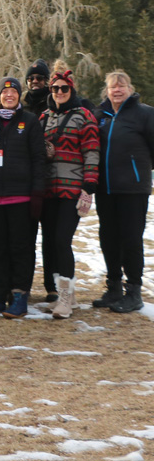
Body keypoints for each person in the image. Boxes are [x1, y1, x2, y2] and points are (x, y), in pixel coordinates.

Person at [0, 76, 48, 319]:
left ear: (19, 95)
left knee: (21, 249)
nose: (9, 96)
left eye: (13, 92)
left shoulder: (30, 121)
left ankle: (19, 296)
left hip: (21, 199)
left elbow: (38, 160)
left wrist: (37, 194)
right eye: (5, 92)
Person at [39, 66, 99, 319]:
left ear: (71, 90)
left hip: (72, 190)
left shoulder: (84, 116)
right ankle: (69, 293)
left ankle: (64, 297)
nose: (59, 92)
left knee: (63, 241)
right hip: (47, 191)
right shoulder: (43, 117)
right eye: (55, 88)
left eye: (64, 88)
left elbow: (92, 152)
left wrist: (88, 188)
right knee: (51, 243)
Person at [93, 70, 154, 314]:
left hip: (132, 189)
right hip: (105, 189)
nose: (117, 90)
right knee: (108, 238)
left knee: (130, 239)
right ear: (107, 91)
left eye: (122, 86)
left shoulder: (145, 114)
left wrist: (139, 172)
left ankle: (134, 291)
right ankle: (114, 287)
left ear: (130, 88)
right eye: (112, 87)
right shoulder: (100, 114)